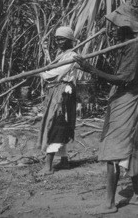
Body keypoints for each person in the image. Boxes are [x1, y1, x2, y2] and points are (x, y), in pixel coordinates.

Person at [74, 2, 138, 214]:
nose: (113, 30)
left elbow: (124, 78)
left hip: (128, 100)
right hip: (125, 99)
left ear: (126, 27)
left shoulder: (135, 47)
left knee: (114, 150)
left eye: (117, 26)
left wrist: (91, 69)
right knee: (132, 148)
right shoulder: (129, 45)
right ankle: (137, 195)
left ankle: (109, 203)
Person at [38, 26, 79, 175]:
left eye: (62, 39)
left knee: (56, 125)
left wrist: (42, 73)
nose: (59, 42)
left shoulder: (72, 56)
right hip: (56, 91)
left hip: (64, 93)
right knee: (59, 124)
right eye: (57, 39)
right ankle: (64, 161)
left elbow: (58, 71)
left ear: (70, 40)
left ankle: (48, 166)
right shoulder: (61, 54)